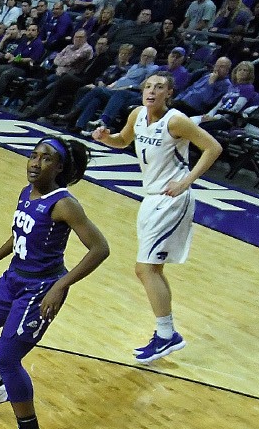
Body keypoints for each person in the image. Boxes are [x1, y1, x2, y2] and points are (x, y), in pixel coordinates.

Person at [0, 138, 109, 429]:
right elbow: (19, 233)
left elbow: (100, 249)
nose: (35, 162)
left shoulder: (65, 204)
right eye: (33, 155)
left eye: (46, 158)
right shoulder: (26, 193)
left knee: (8, 358)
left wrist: (61, 285)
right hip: (13, 278)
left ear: (59, 167)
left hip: (41, 289)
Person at [91, 72, 223, 362]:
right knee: (154, 269)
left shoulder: (175, 121)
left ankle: (166, 335)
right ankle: (166, 334)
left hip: (171, 200)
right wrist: (106, 138)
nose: (151, 91)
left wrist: (185, 181)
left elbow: (213, 148)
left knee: (145, 269)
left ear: (169, 93)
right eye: (148, 86)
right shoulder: (137, 114)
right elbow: (123, 141)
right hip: (150, 198)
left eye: (159, 87)